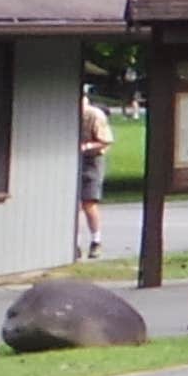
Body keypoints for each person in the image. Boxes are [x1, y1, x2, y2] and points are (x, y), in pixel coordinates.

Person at [74, 91, 113, 257]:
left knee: (88, 203)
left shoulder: (94, 115)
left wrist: (86, 146)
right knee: (73, 205)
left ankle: (96, 241)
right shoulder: (70, 114)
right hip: (72, 159)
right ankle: (74, 243)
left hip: (91, 160)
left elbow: (106, 141)